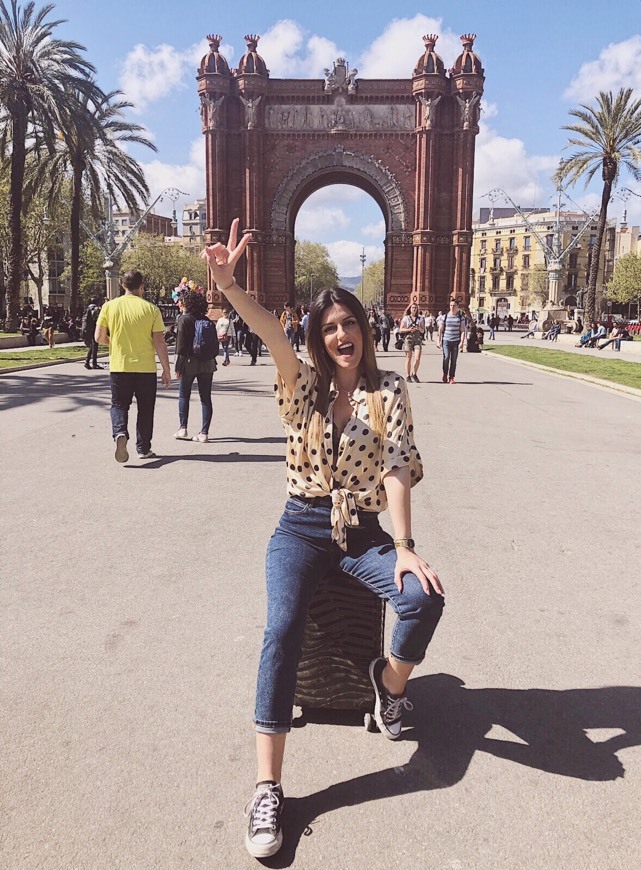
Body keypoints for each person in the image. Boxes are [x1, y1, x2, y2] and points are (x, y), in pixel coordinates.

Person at [203, 219, 445, 860]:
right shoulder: (302, 385)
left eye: (350, 325)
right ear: (318, 336)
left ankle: (387, 689)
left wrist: (406, 546)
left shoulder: (388, 390)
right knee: (281, 628)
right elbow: (270, 333)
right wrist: (228, 286)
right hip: (302, 526)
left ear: (365, 330)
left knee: (423, 598)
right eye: (329, 328)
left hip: (362, 532)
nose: (341, 336)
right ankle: (268, 786)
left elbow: (396, 466)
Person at [95, 269, 171, 463]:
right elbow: (159, 342)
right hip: (146, 369)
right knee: (146, 409)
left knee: (119, 404)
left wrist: (114, 343)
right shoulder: (151, 309)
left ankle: (120, 432)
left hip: (120, 366)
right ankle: (143, 448)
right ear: (142, 287)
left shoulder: (109, 307)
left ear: (122, 286)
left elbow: (98, 337)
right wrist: (166, 369)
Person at [173, 287, 217, 443]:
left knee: (184, 395)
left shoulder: (184, 319)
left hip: (189, 363)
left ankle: (183, 428)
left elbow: (181, 347)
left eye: (182, 301)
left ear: (187, 303)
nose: (180, 303)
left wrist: (178, 367)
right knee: (206, 398)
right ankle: (204, 433)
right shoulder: (206, 320)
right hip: (207, 363)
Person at [437, 295, 467, 383]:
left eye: (454, 306)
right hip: (446, 340)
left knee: (453, 360)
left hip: (455, 341)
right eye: (451, 305)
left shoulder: (461, 318)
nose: (452, 307)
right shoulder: (444, 317)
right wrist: (438, 341)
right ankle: (445, 374)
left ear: (457, 307)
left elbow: (462, 330)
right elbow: (440, 329)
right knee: (446, 358)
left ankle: (451, 377)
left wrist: (462, 342)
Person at [399, 302, 425, 382]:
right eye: (412, 307)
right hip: (408, 338)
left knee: (417, 358)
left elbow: (423, 330)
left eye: (415, 308)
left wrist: (419, 328)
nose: (414, 309)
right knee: (408, 357)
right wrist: (409, 329)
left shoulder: (420, 318)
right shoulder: (406, 318)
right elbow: (401, 330)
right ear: (410, 309)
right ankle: (408, 375)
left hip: (417, 339)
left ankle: (414, 373)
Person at [82, 301, 102, 369]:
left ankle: (87, 362)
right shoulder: (95, 309)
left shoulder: (87, 311)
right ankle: (93, 363)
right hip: (93, 330)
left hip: (87, 331)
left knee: (92, 347)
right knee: (94, 347)